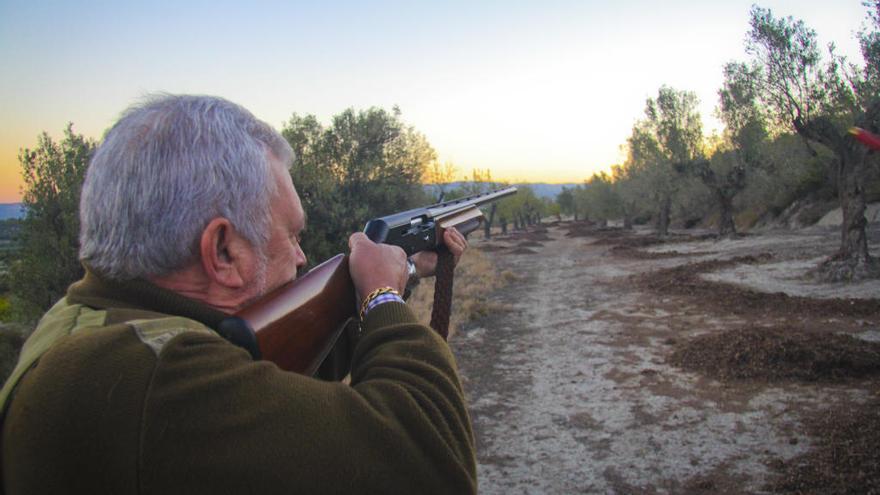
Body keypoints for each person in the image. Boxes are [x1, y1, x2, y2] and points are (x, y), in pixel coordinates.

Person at [0, 95, 477, 494]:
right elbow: (432, 463)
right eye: (292, 235)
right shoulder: (158, 379)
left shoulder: (94, 325)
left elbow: (290, 372)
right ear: (223, 251)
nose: (301, 258)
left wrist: (407, 267)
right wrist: (382, 297)